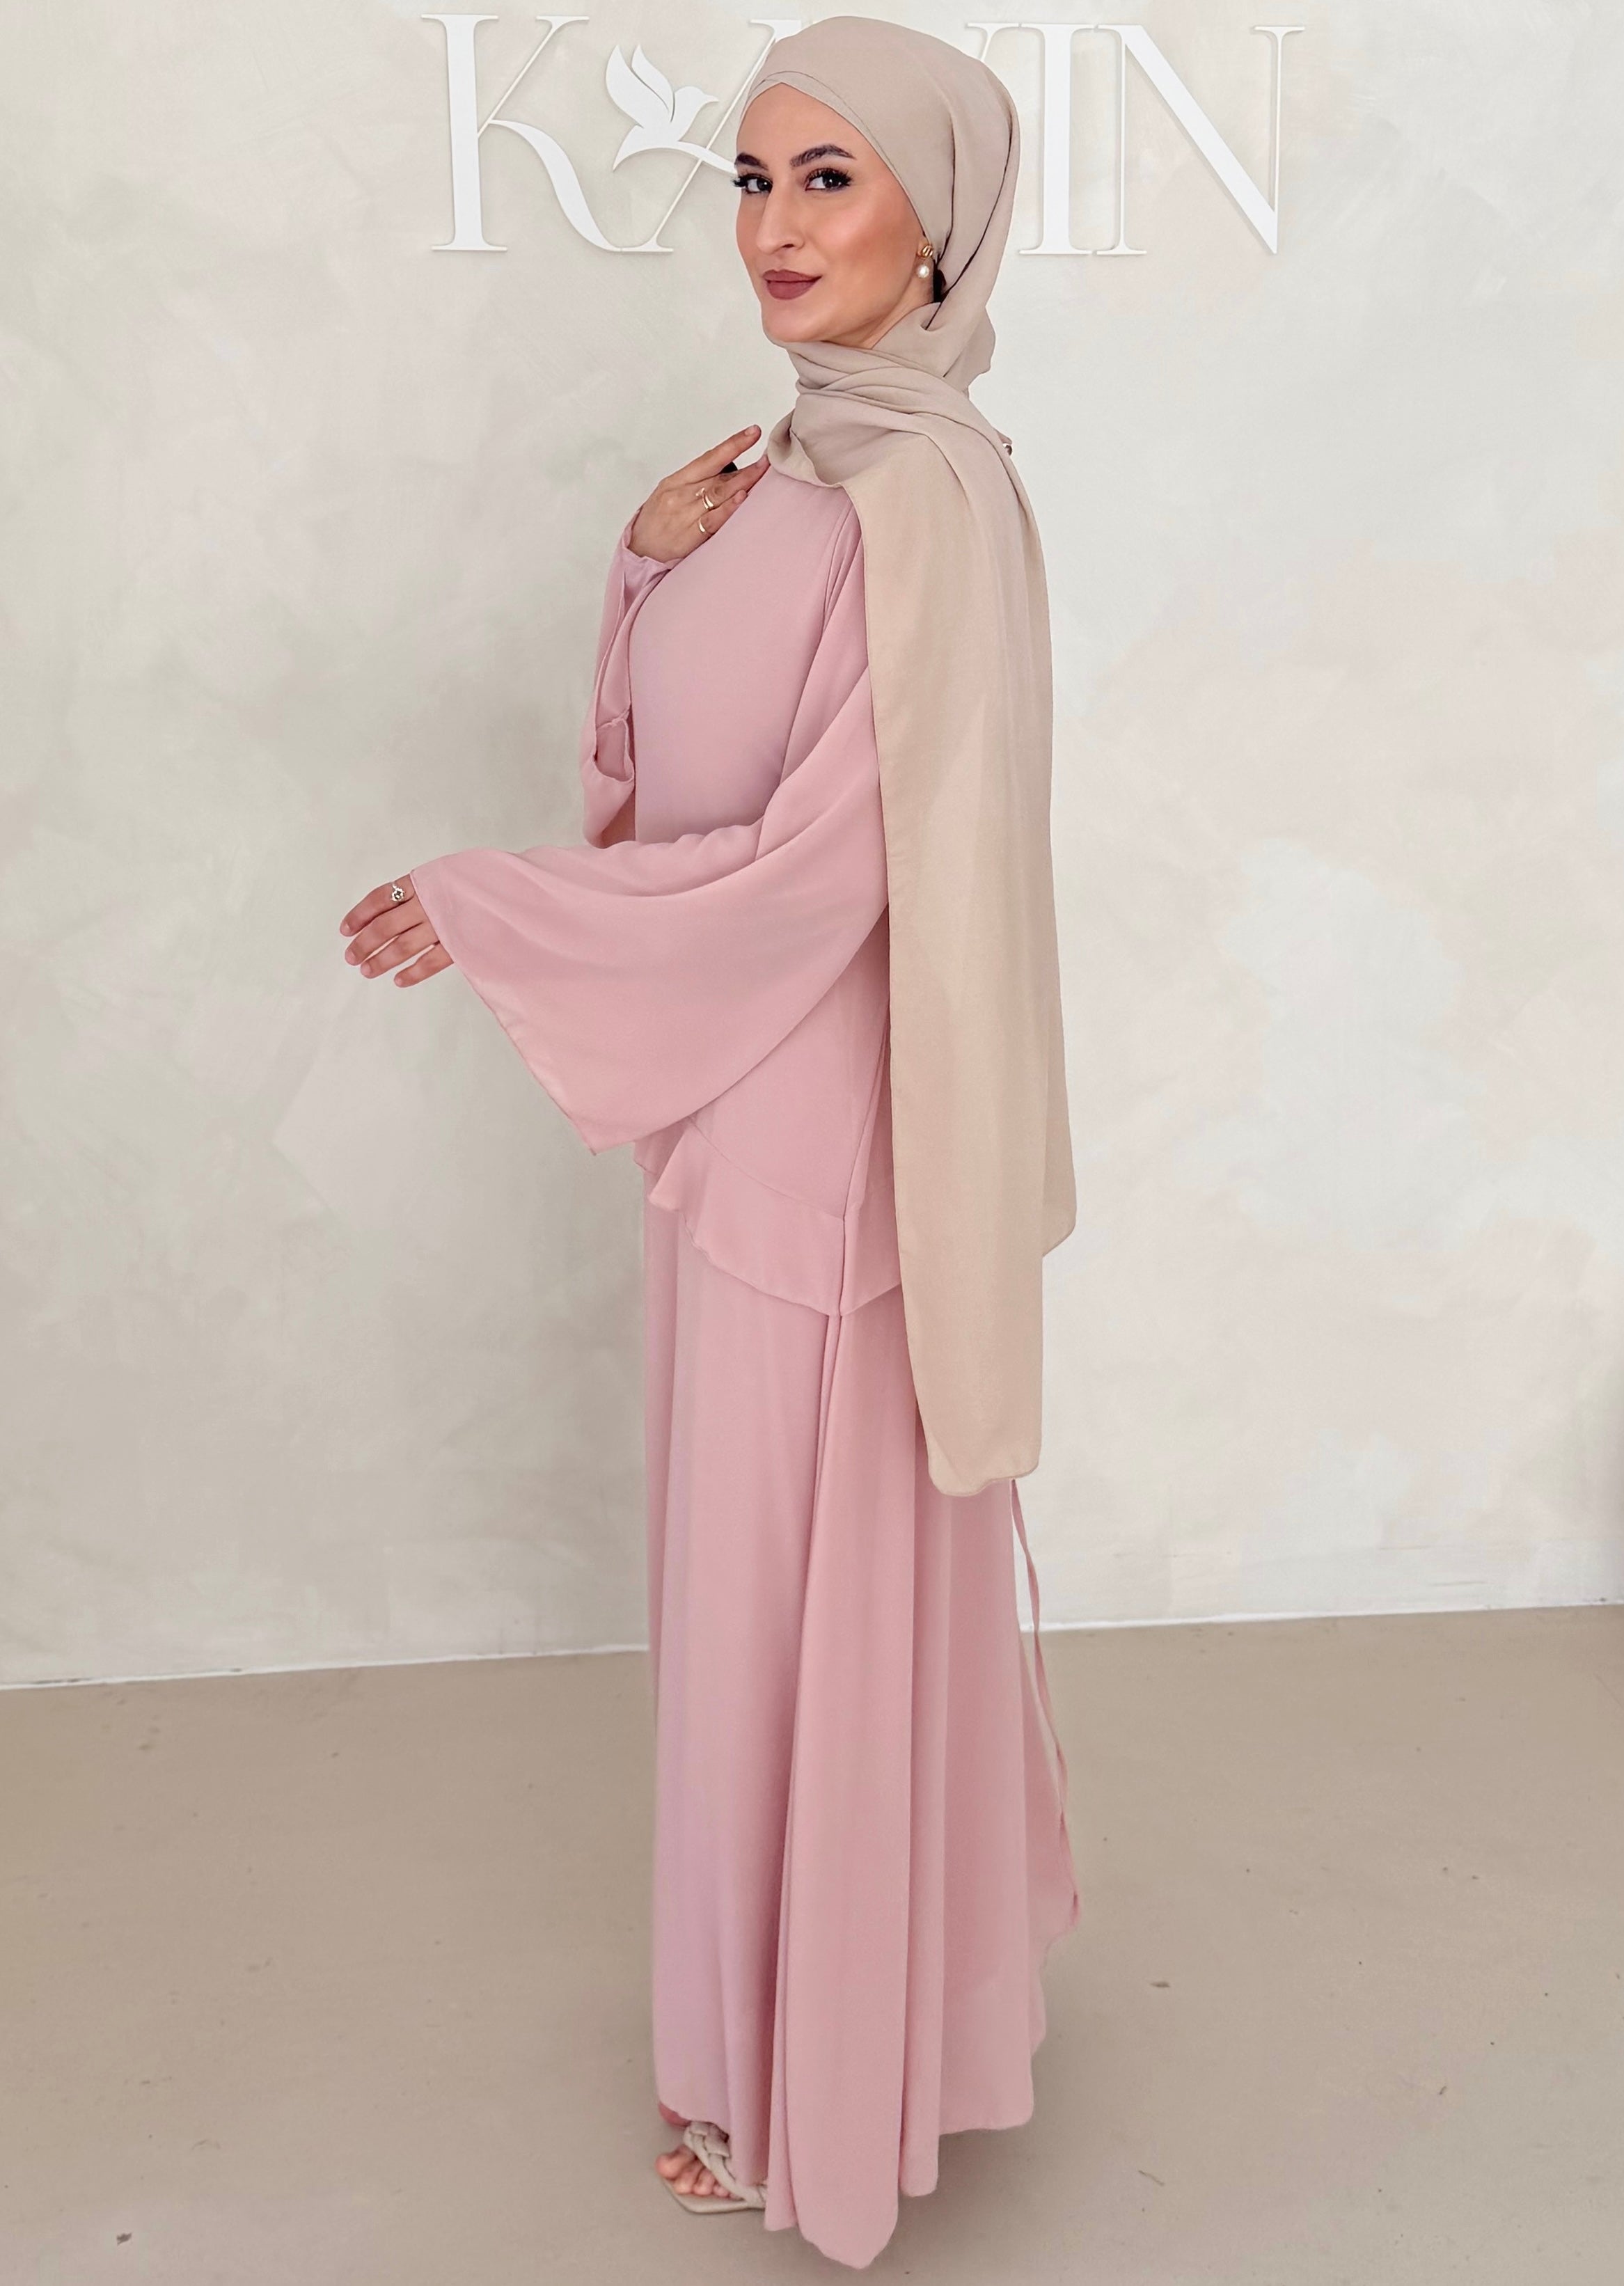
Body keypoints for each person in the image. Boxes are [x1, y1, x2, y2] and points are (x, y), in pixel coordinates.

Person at [339, 16, 1080, 2270]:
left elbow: (814, 868)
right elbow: (675, 782)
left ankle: (818, 2092)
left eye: (827, 179)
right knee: (755, 1612)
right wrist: (644, 569)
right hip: (744, 1130)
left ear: (939, 217)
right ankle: (801, 2044)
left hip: (832, 1158)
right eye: (752, 181)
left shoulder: (924, 498)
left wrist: (499, 908)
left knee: (800, 1615)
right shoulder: (792, 470)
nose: (772, 225)